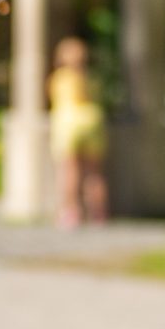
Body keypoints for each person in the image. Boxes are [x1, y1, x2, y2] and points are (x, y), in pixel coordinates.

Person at [48, 35, 107, 227]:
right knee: (94, 172)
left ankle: (70, 212)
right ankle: (98, 213)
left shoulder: (61, 78)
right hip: (92, 119)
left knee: (69, 171)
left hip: (69, 121)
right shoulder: (92, 77)